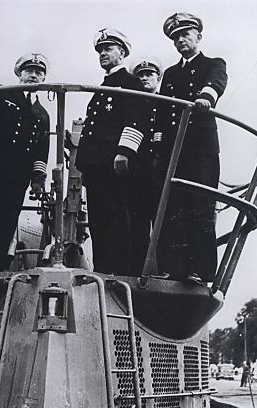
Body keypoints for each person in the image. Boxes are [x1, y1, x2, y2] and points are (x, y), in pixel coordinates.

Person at [155, 12, 228, 284]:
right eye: (176, 37)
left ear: (199, 36)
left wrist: (206, 97)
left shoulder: (213, 64)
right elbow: (162, 112)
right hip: (175, 152)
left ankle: (203, 270)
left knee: (201, 206)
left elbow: (217, 82)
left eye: (186, 34)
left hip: (201, 150)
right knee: (176, 208)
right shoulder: (171, 74)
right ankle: (177, 268)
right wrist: (159, 146)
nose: (181, 40)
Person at [75, 28, 148, 275]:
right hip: (96, 166)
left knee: (117, 219)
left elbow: (136, 117)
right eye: (100, 50)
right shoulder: (103, 87)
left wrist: (124, 151)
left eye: (108, 49)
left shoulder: (130, 83)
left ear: (122, 52)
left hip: (114, 164)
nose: (103, 53)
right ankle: (103, 270)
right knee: (99, 221)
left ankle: (118, 271)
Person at [0, 53, 50, 270]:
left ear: (44, 78)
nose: (33, 76)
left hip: (17, 177)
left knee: (7, 221)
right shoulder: (2, 95)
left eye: (38, 73)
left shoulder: (42, 114)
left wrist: (37, 178)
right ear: (19, 73)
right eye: (29, 71)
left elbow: (41, 150)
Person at [131, 58, 163, 273]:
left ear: (158, 78)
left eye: (149, 75)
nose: (144, 78)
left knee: (161, 219)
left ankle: (162, 268)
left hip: (160, 171)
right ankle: (136, 266)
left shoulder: (166, 103)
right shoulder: (134, 105)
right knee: (137, 220)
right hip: (138, 171)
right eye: (141, 75)